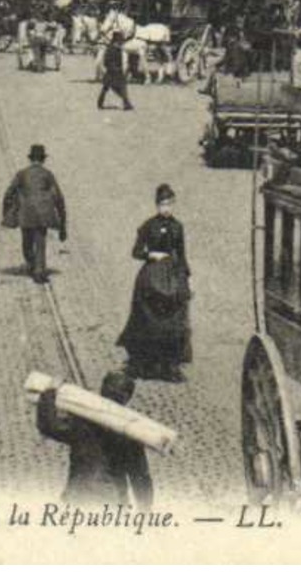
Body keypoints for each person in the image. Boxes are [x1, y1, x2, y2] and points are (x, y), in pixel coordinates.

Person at [35, 371, 153, 508]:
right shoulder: (130, 432)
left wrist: (50, 392)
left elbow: (50, 427)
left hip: (78, 496)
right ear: (127, 398)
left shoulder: (83, 420)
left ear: (102, 390)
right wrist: (145, 510)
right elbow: (140, 476)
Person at [117, 184, 191, 381]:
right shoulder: (148, 226)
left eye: (169, 204)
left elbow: (182, 254)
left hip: (172, 276)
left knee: (172, 322)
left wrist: (186, 279)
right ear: (156, 206)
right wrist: (151, 254)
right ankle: (144, 364)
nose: (166, 209)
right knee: (147, 320)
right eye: (162, 205)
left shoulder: (178, 227)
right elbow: (136, 252)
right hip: (150, 277)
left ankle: (168, 365)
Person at [2, 144, 67, 283]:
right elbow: (59, 198)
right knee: (40, 242)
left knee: (27, 242)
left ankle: (32, 264)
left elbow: (9, 193)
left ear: (31, 159)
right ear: (43, 159)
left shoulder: (22, 174)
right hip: (44, 213)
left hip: (26, 213)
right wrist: (62, 224)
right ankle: (39, 270)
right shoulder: (48, 175)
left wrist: (6, 212)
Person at [98, 32, 133, 111]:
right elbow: (107, 61)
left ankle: (126, 103)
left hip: (112, 72)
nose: (121, 42)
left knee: (108, 88)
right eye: (120, 41)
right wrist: (115, 68)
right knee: (117, 88)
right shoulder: (112, 49)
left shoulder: (115, 49)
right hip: (114, 72)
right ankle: (126, 103)